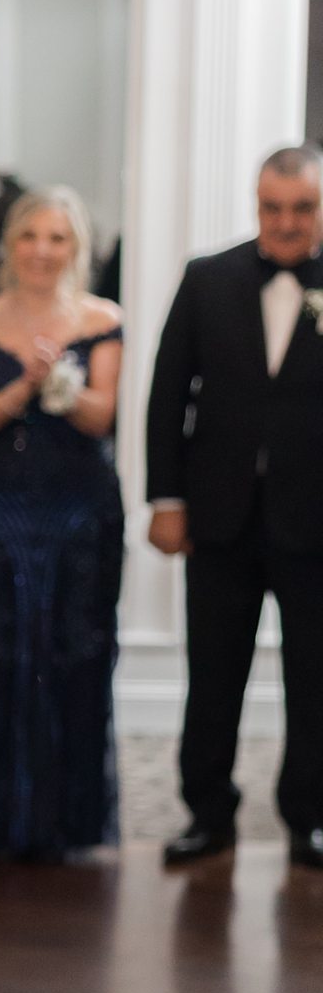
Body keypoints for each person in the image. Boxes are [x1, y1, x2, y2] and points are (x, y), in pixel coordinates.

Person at [145, 144, 323, 869]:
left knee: (315, 682)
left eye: (302, 208)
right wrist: (166, 498)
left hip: (315, 523)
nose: (285, 223)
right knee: (214, 674)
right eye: (271, 207)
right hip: (217, 517)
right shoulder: (207, 278)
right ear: (256, 205)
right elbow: (165, 397)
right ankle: (207, 813)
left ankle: (309, 818)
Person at [0, 189, 125, 861]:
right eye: (31, 237)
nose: (42, 251)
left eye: (57, 239)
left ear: (74, 250)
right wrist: (23, 386)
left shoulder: (101, 318)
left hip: (79, 507)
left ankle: (70, 820)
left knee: (76, 651)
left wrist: (63, 386)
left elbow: (100, 417)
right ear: (10, 245)